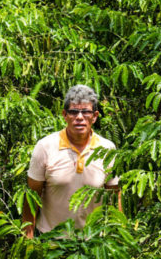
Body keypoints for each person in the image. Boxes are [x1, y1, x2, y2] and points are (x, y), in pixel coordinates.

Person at [22, 85, 121, 238]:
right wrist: (27, 240)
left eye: (86, 112)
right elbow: (31, 196)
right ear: (65, 115)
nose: (79, 117)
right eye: (74, 112)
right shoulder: (45, 147)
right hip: (52, 242)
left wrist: (118, 237)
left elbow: (115, 196)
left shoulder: (107, 149)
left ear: (94, 116)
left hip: (94, 243)